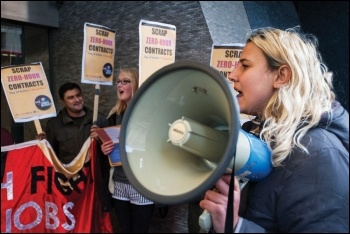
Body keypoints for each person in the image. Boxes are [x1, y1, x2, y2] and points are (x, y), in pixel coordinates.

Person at [199, 27, 349, 233]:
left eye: (245, 66)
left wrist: (238, 227)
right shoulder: (258, 133)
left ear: (281, 76)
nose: (233, 75)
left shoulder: (320, 154)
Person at [95, 68, 155, 233]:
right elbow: (109, 149)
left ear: (135, 84)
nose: (119, 85)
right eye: (118, 82)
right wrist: (104, 148)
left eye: (125, 81)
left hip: (140, 183)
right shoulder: (115, 114)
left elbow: (156, 147)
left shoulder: (148, 113)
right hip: (119, 182)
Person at [40, 82, 111, 212]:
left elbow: (109, 155)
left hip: (96, 187)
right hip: (69, 190)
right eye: (71, 97)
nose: (77, 100)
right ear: (63, 102)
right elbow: (50, 159)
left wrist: (101, 139)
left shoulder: (99, 120)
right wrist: (39, 146)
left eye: (78, 95)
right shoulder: (54, 125)